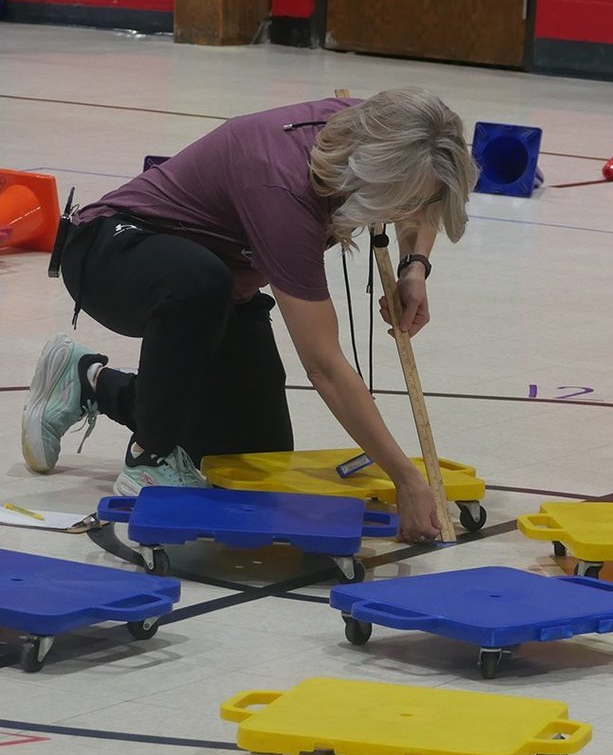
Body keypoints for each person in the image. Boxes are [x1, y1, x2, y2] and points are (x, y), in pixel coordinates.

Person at [20, 87, 478, 544]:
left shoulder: (384, 128)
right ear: (375, 178)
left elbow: (427, 194)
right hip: (111, 254)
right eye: (404, 202)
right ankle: (150, 459)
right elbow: (324, 366)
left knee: (253, 457)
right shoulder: (284, 191)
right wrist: (405, 477)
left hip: (219, 289)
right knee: (200, 281)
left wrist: (414, 266)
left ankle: (88, 381)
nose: (412, 213)